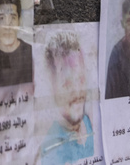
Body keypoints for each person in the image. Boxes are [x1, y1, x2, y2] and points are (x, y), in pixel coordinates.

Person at [39, 31, 94, 164]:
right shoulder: (50, 150)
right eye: (67, 84)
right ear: (52, 88)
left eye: (80, 80)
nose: (77, 92)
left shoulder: (88, 123)